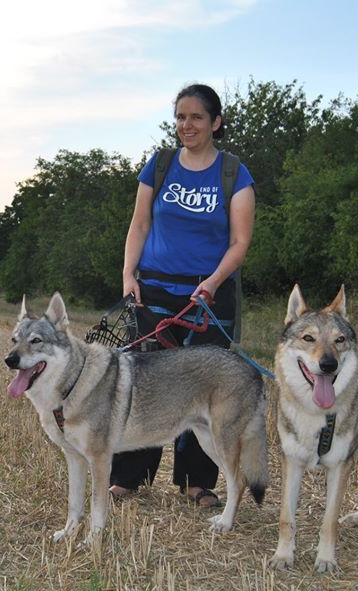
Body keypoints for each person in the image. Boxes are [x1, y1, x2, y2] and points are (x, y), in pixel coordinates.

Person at [111, 83, 256, 507]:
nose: (186, 125)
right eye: (180, 117)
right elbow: (139, 225)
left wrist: (212, 282)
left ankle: (198, 482)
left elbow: (240, 242)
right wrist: (128, 275)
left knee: (203, 386)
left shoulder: (234, 174)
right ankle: (127, 477)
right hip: (153, 290)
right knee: (141, 385)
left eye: (196, 117)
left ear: (216, 122)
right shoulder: (159, 166)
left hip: (208, 296)